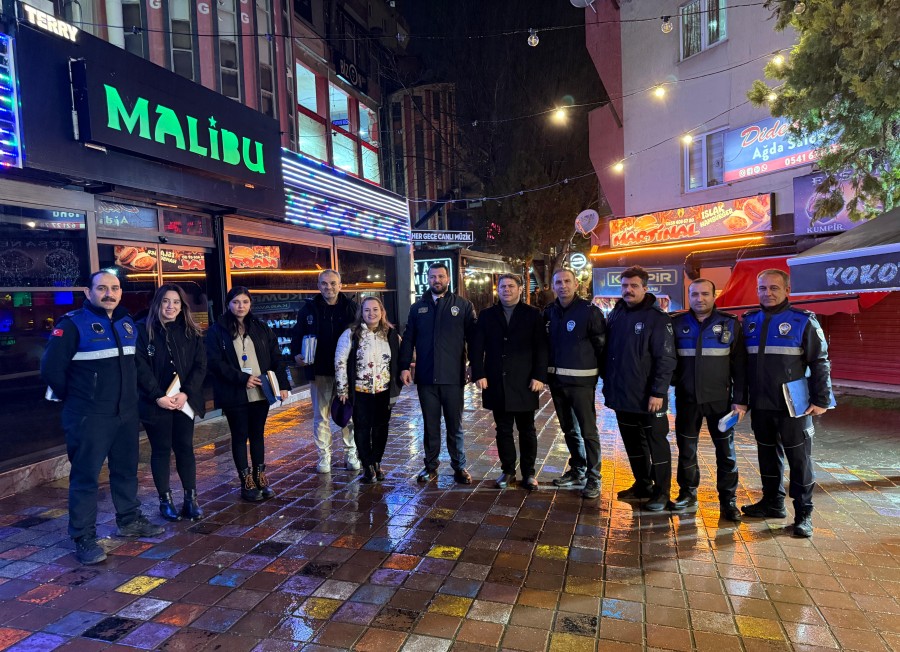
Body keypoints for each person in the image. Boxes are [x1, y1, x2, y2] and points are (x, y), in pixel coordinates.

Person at [41, 271, 163, 565]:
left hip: (126, 413)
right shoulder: (72, 325)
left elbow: (137, 367)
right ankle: (83, 537)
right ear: (88, 292)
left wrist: (155, 393)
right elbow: (51, 369)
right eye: (102, 288)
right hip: (89, 415)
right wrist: (78, 399)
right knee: (86, 476)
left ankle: (129, 520)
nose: (109, 293)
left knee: (126, 470)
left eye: (115, 288)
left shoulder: (126, 324)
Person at [741, 269, 833, 538]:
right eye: (762, 288)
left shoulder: (803, 321)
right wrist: (741, 400)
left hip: (795, 405)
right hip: (761, 404)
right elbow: (742, 366)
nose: (767, 293)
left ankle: (804, 514)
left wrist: (821, 399)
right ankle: (773, 503)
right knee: (767, 456)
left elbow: (820, 361)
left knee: (800, 461)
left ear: (787, 290)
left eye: (774, 288)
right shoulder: (749, 321)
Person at [671, 279, 746, 522]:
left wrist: (740, 400)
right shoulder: (677, 324)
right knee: (686, 449)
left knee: (726, 452)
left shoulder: (730, 324)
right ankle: (687, 493)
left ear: (714, 296)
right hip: (687, 399)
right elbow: (668, 361)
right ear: (689, 296)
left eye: (705, 294)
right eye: (694, 294)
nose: (699, 299)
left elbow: (740, 367)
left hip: (720, 401)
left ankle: (728, 501)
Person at [603, 266, 677, 511]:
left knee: (656, 443)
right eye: (624, 285)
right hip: (622, 394)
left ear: (645, 288)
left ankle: (662, 492)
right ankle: (642, 484)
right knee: (633, 442)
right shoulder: (616, 314)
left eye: (634, 286)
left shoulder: (658, 318)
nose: (628, 290)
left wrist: (658, 392)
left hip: (649, 397)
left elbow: (666, 359)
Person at [207, 286, 289, 502]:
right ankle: (246, 482)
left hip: (261, 391)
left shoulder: (261, 327)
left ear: (250, 304)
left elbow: (276, 357)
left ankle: (260, 477)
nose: (240, 306)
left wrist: (282, 384)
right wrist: (242, 378)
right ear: (228, 304)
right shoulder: (217, 330)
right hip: (234, 392)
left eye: (244, 302)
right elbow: (214, 363)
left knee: (257, 434)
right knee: (240, 435)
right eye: (235, 302)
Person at [399, 261, 477, 484]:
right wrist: (404, 366)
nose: (437, 280)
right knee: (430, 425)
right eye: (433, 277)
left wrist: (473, 365)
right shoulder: (417, 308)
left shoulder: (462, 305)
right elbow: (408, 339)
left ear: (448, 279)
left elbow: (473, 338)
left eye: (441, 276)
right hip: (426, 378)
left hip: (453, 377)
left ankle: (459, 467)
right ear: (428, 279)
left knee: (455, 426)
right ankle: (430, 466)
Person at [135, 284, 207, 522]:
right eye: (166, 301)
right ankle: (165, 501)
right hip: (155, 403)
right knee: (161, 450)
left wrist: (186, 393)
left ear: (182, 306)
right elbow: (139, 367)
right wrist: (158, 396)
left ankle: (191, 500)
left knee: (185, 448)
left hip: (184, 402)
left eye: (176, 302)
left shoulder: (191, 331)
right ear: (157, 303)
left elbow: (200, 366)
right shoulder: (142, 330)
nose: (171, 306)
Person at [470, 274, 548, 491]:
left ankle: (529, 473)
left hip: (525, 381)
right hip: (496, 380)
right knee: (503, 429)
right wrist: (479, 373)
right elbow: (477, 346)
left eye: (511, 286)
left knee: (527, 429)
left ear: (520, 289)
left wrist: (540, 376)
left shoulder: (533, 314)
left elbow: (541, 347)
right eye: (503, 286)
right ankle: (508, 471)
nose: (506, 290)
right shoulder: (487, 315)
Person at [544, 269, 607, 499]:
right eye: (558, 282)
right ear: (553, 286)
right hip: (557, 382)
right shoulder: (549, 312)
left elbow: (602, 347)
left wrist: (603, 378)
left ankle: (594, 476)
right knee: (569, 429)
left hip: (582, 383)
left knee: (588, 431)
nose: (563, 286)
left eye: (567, 281)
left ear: (576, 284)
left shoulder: (590, 311)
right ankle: (578, 469)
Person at [290, 270, 359, 474]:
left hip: (346, 372)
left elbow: (361, 334)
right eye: (324, 283)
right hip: (319, 371)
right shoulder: (308, 309)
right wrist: (296, 354)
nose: (329, 287)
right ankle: (324, 457)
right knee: (321, 416)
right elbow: (297, 335)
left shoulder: (351, 307)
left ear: (340, 285)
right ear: (318, 285)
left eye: (333, 283)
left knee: (348, 415)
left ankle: (351, 453)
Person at [334, 297, 403, 484]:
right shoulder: (351, 334)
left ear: (382, 312)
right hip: (360, 391)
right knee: (362, 429)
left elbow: (400, 358)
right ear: (361, 313)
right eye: (367, 310)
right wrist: (342, 389)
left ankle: (377, 462)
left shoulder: (391, 334)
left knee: (381, 429)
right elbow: (340, 362)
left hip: (384, 391)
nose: (371, 313)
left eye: (375, 309)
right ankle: (367, 466)